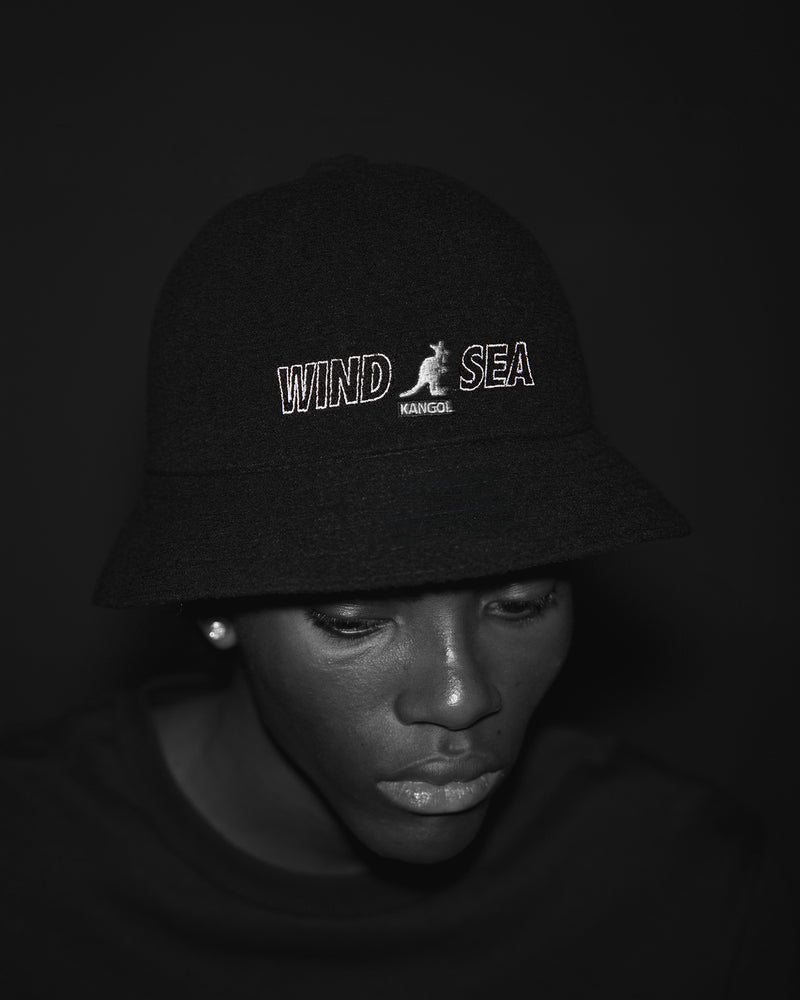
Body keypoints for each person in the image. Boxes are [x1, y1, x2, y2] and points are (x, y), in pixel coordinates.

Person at [2, 157, 796, 997]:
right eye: (353, 622)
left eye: (521, 605)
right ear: (213, 601)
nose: (460, 697)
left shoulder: (686, 887)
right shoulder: (27, 877)